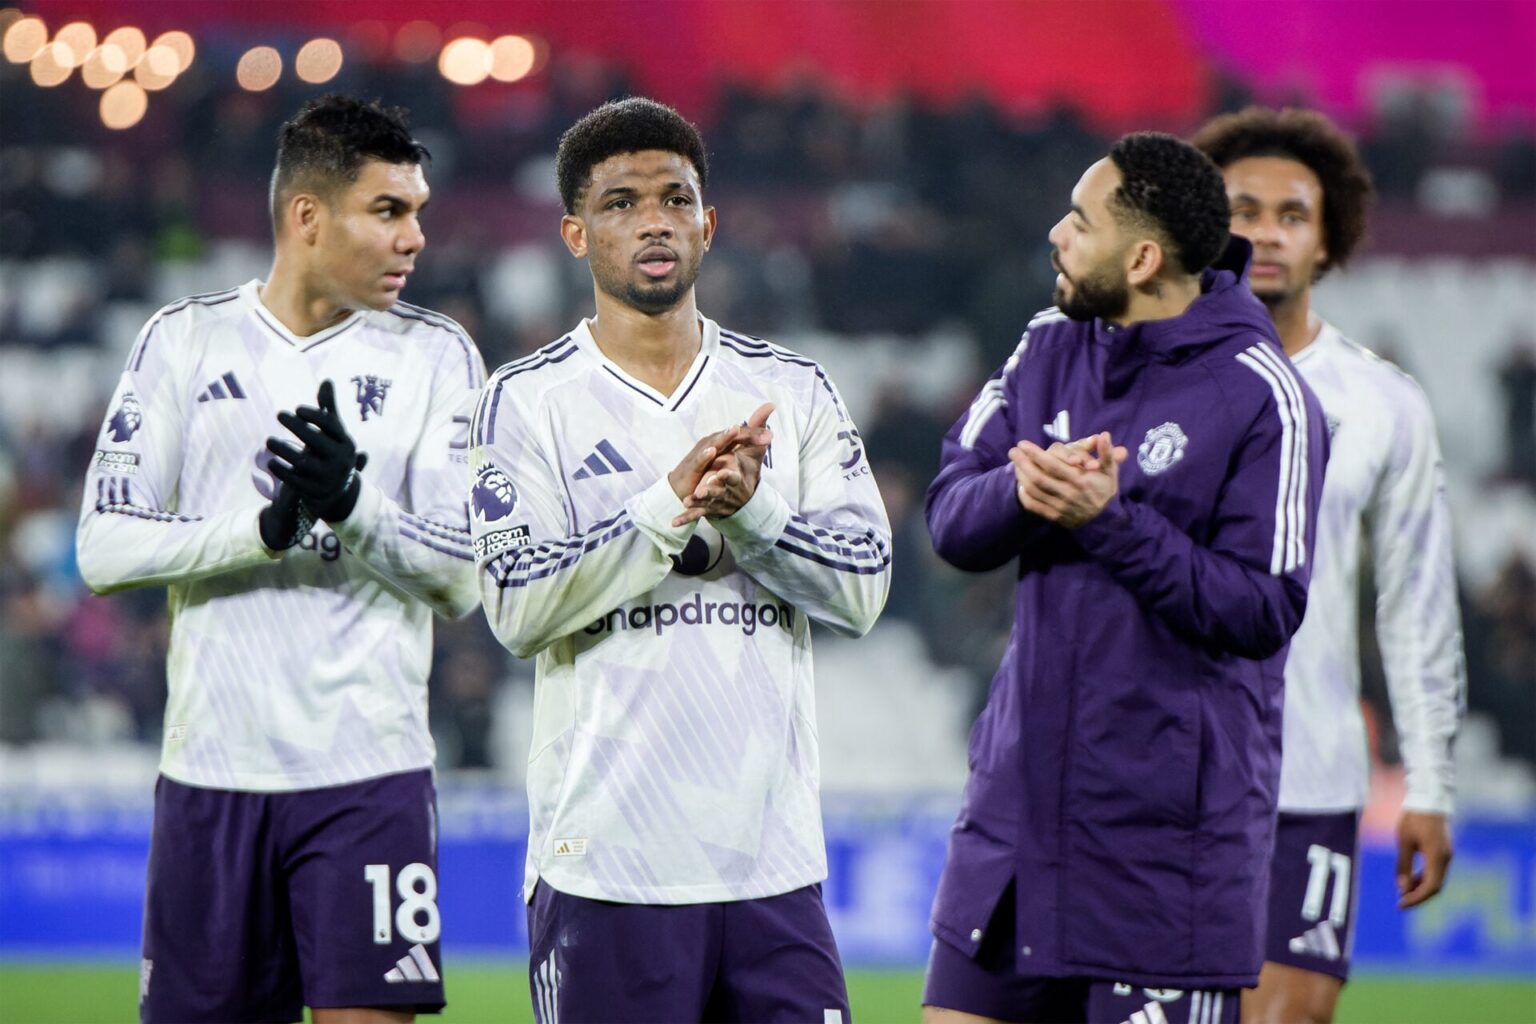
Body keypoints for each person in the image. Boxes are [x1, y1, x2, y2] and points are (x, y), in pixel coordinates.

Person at [467, 97, 891, 1022]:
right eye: (620, 203)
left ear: (709, 223)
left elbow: (863, 588)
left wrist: (755, 512)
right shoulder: (526, 403)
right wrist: (668, 505)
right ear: (576, 234)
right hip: (607, 867)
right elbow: (516, 606)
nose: (652, 219)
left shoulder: (791, 390)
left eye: (674, 198)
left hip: (772, 868)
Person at [76, 95, 487, 1024]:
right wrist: (258, 531)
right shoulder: (182, 342)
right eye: (389, 211)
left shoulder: (437, 356)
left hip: (368, 775)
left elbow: (463, 576)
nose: (415, 238)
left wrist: (353, 506)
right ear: (308, 216)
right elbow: (103, 547)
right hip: (210, 779)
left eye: (418, 211)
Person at [921, 132, 1329, 1024]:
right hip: (1017, 828)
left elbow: (1265, 608)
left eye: (1079, 220)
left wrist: (1108, 521)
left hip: (1164, 857)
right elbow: (950, 516)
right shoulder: (1046, 348)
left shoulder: (1266, 396)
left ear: (1141, 257)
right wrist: (1023, 490)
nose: (1058, 237)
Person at [1193, 106, 1466, 1024]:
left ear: (1329, 237)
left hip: (1309, 775)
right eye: (1243, 207)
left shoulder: (1384, 403)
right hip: (1164, 769)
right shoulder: (1141, 373)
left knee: (1292, 1015)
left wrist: (1428, 782)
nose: (1266, 231)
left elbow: (1417, 605)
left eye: (1292, 213)